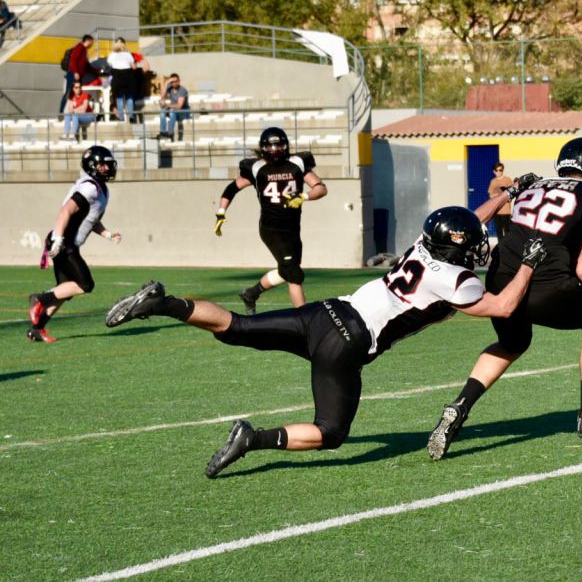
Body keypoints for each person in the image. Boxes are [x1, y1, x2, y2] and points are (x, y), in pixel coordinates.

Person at [104, 198, 549, 478]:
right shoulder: (456, 279)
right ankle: (252, 439)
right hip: (348, 342)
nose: (478, 245)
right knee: (331, 431)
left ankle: (164, 303)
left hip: (326, 312)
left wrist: (504, 198)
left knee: (236, 327)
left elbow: (466, 222)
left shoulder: (420, 244)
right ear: (455, 248)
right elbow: (505, 307)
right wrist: (528, 264)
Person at [428, 136, 582, 461]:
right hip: (548, 283)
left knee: (512, 343)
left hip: (502, 280)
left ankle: (460, 406)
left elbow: (483, 223)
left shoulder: (534, 187)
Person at [215, 127, 327, 314]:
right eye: (271, 146)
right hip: (271, 229)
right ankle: (305, 319)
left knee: (287, 270)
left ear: (286, 145)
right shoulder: (257, 167)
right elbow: (232, 188)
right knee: (294, 275)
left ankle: (251, 293)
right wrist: (221, 211)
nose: (275, 150)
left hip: (292, 228)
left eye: (279, 145)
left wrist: (305, 197)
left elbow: (321, 188)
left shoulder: (297, 163)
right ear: (264, 147)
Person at [27, 146, 121, 343]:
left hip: (65, 241)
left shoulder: (100, 189)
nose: (107, 168)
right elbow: (65, 212)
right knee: (85, 284)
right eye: (102, 164)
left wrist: (107, 234)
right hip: (64, 241)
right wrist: (59, 240)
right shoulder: (89, 187)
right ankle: (39, 299)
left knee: (63, 290)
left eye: (107, 164)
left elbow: (91, 219)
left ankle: (37, 329)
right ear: (92, 165)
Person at [105, 38, 137, 122]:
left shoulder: (112, 55)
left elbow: (109, 65)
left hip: (116, 75)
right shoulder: (128, 54)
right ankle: (131, 117)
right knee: (129, 97)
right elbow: (134, 67)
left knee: (119, 97)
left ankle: (122, 118)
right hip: (128, 75)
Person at [157, 73, 190, 140]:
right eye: (172, 82)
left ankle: (170, 133)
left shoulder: (183, 90)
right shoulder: (170, 88)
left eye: (176, 81)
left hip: (183, 112)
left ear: (179, 81)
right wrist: (166, 82)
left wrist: (166, 104)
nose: (174, 83)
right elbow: (162, 97)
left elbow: (179, 106)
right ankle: (162, 132)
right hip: (173, 111)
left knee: (172, 111)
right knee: (162, 110)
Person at [487, 161, 514, 240]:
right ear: (494, 171)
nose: (499, 172)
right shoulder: (493, 181)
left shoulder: (508, 180)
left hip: (505, 210)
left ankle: (508, 247)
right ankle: (500, 247)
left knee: (507, 230)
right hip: (497, 210)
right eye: (497, 170)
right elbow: (491, 195)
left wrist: (503, 195)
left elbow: (512, 193)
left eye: (500, 170)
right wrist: (497, 195)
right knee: (498, 231)